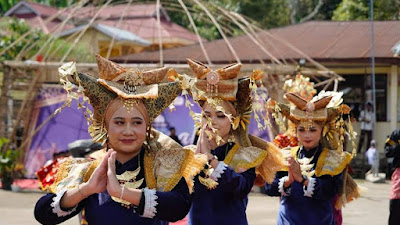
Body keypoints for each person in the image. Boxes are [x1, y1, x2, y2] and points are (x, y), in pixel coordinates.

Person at [34, 55, 205, 225]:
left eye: (137, 122)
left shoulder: (163, 166)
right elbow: (43, 214)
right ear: (105, 126)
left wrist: (121, 192)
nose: (128, 131)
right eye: (119, 122)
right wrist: (87, 189)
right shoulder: (90, 169)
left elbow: (178, 207)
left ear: (147, 127)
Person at [173, 59, 284, 225]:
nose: (212, 122)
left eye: (220, 116)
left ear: (233, 121)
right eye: (207, 116)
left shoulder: (246, 154)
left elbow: (240, 189)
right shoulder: (188, 154)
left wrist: (211, 160)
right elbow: (180, 200)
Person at [265, 92, 360, 225]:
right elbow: (269, 188)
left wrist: (303, 180)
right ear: (295, 131)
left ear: (322, 130)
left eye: (313, 130)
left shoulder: (333, 159)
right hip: (288, 220)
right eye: (302, 130)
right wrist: (288, 180)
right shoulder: (286, 156)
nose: (307, 135)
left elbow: (330, 191)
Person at [385, 129, 400, 225]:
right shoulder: (396, 134)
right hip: (399, 175)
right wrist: (398, 147)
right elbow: (387, 151)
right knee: (395, 206)